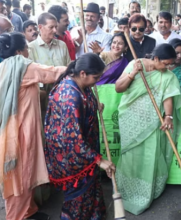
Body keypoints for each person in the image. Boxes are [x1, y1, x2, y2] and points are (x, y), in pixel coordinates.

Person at [0, 32, 67, 220]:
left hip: (6, 129)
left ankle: (28, 211)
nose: (28, 51)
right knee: (21, 175)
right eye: (26, 48)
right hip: (21, 130)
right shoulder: (23, 66)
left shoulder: (1, 67)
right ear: (20, 51)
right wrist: (77, 67)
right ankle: (17, 216)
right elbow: (52, 73)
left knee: (17, 175)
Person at [115, 43, 181, 215]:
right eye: (165, 63)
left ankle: (147, 192)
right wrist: (133, 74)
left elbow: (169, 97)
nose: (168, 67)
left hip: (153, 123)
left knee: (151, 155)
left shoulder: (168, 76)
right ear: (155, 58)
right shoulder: (135, 64)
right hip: (130, 120)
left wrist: (168, 116)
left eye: (170, 64)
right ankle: (125, 190)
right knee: (130, 155)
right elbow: (119, 88)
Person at [44, 53, 115, 220]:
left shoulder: (81, 85)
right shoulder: (69, 96)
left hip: (84, 150)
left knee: (90, 192)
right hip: (72, 156)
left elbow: (85, 104)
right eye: (95, 77)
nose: (97, 81)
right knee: (78, 200)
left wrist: (94, 106)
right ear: (82, 73)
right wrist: (99, 161)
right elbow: (72, 141)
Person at [28, 12, 71, 122]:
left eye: (56, 27)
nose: (55, 31)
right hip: (42, 98)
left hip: (63, 96)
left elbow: (69, 70)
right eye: (51, 27)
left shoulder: (62, 45)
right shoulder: (30, 48)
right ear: (40, 27)